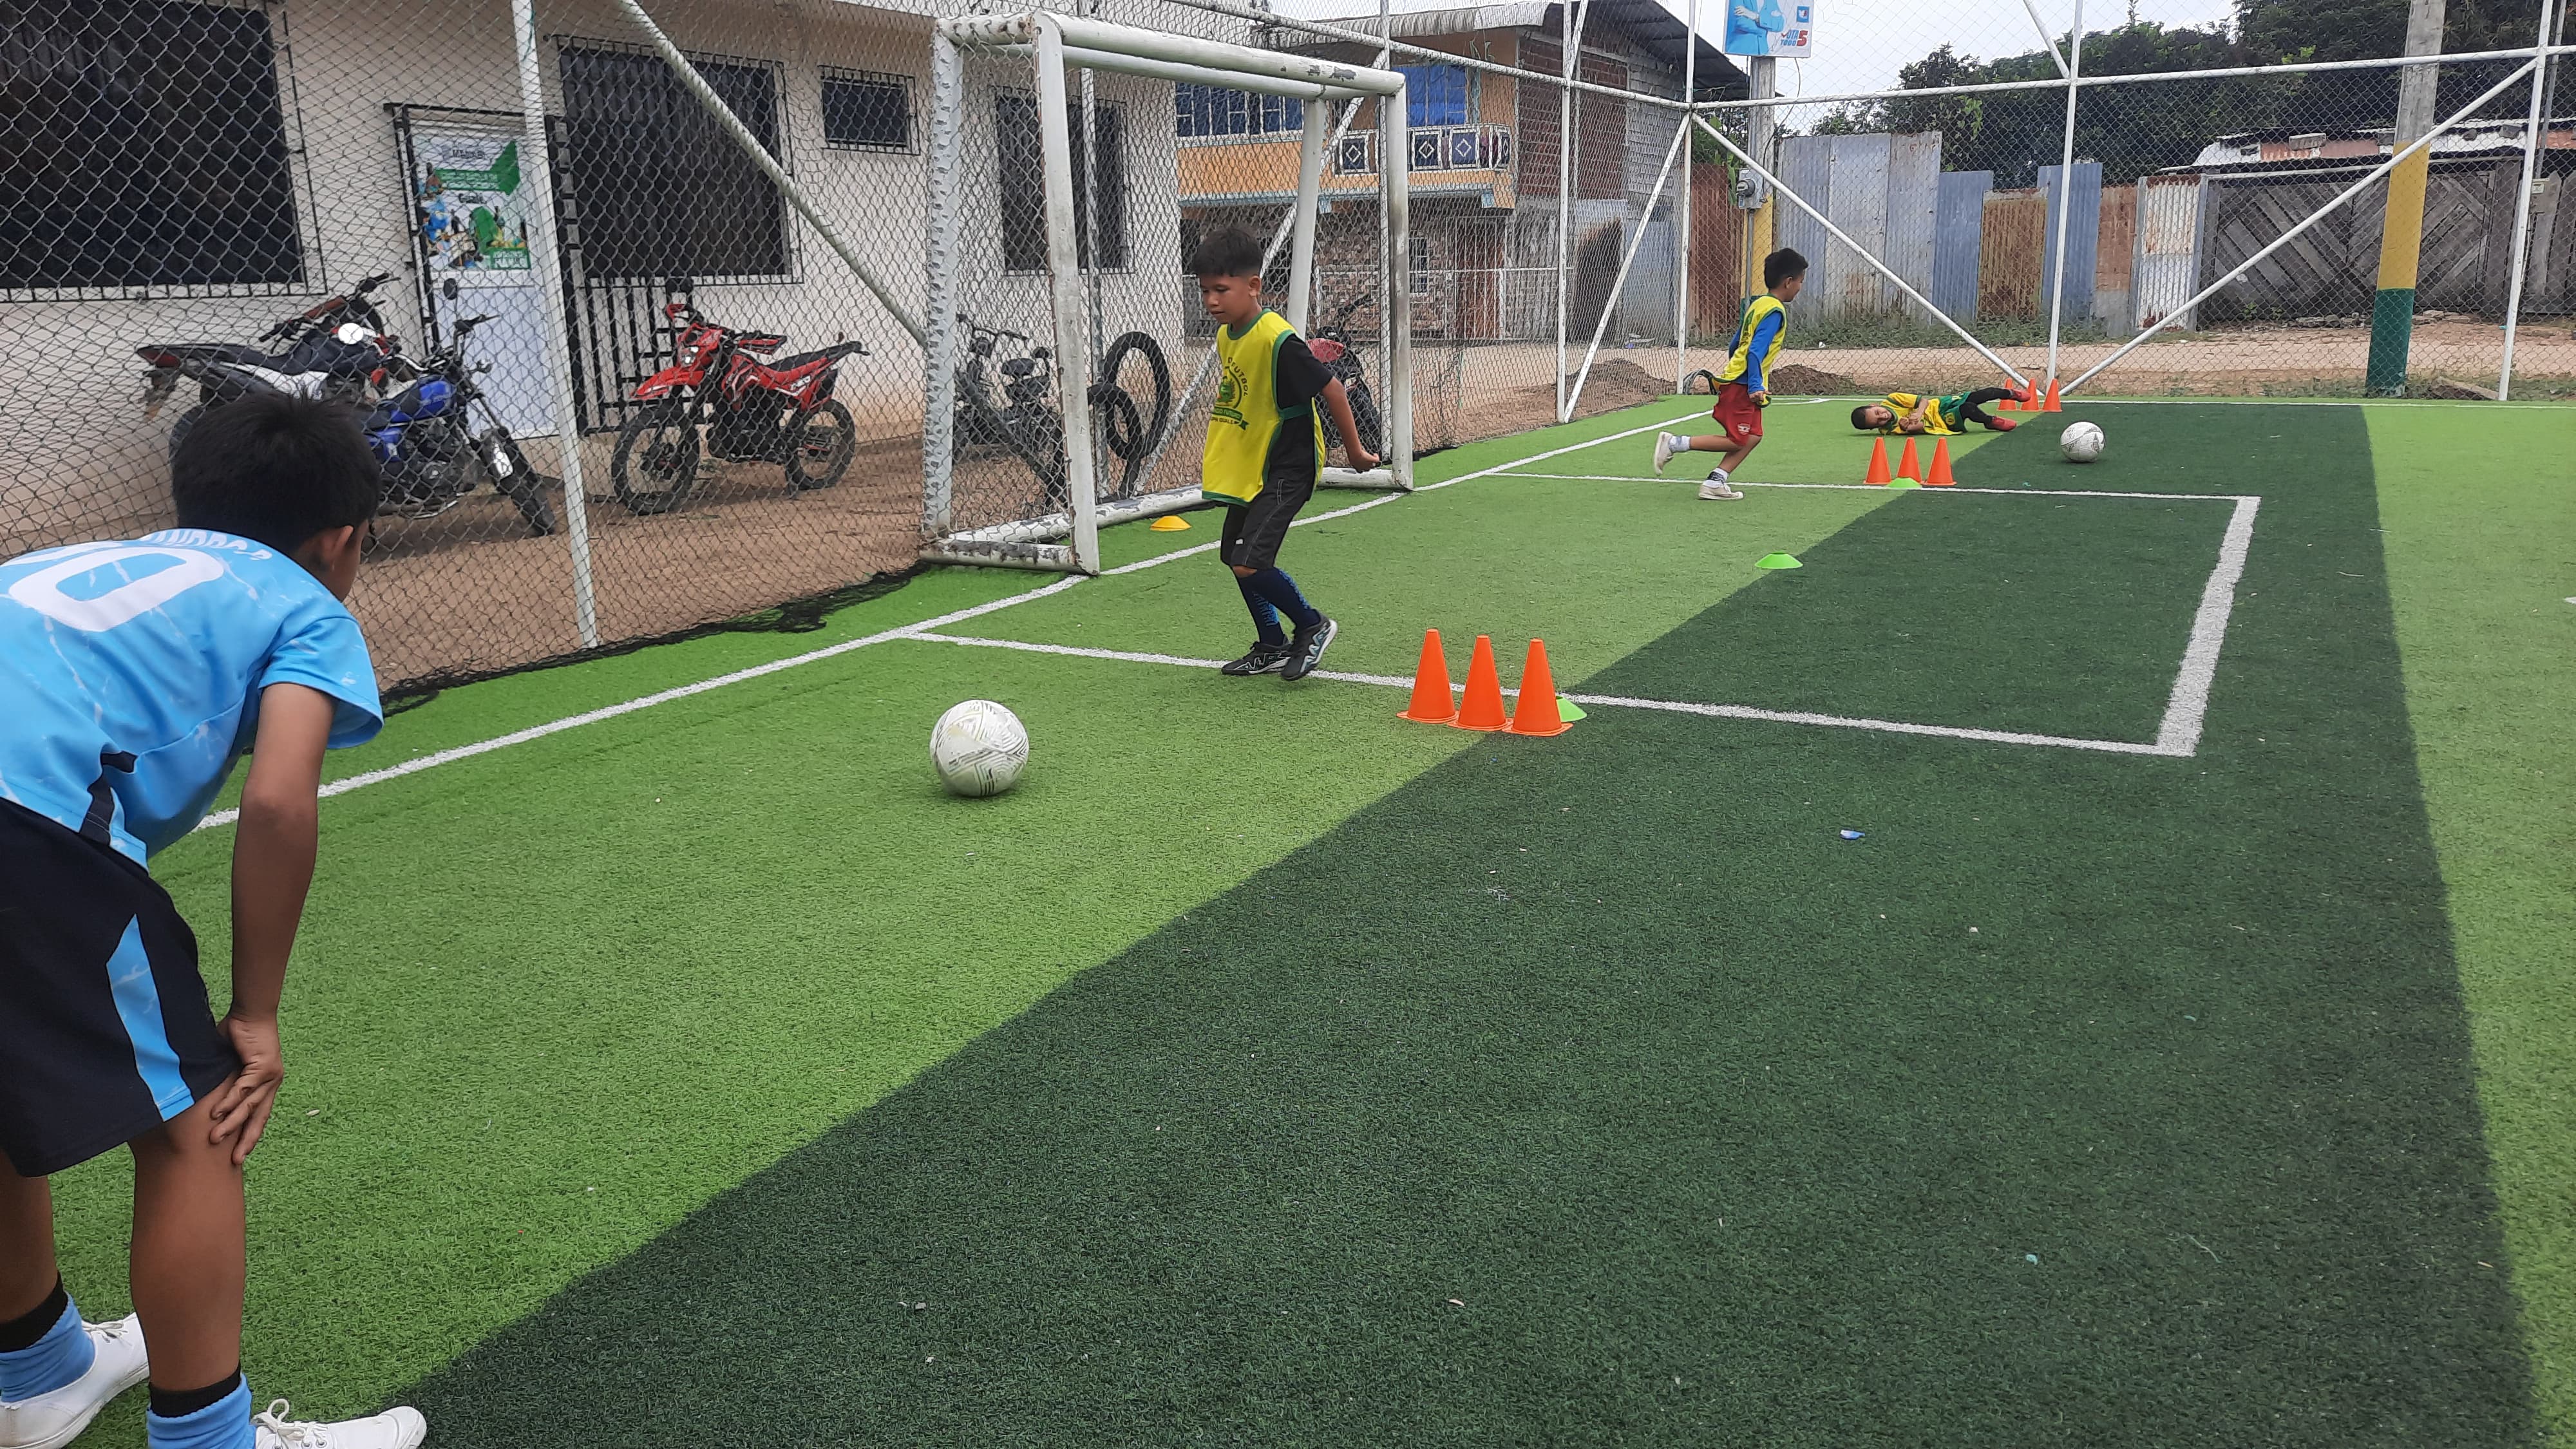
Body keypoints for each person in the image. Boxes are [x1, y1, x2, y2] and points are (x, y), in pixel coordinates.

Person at [0, 394, 426, 1449]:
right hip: (24, 825)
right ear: (341, 541)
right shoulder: (303, 604)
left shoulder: (73, 559)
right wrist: (257, 1016)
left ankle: (40, 1373)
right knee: (195, 1121)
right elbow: (278, 802)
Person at [1186, 225, 1379, 680]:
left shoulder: (1278, 339)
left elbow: (1334, 389)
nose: (1211, 301)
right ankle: (1272, 643)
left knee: (1250, 561)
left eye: (1221, 290)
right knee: (1235, 557)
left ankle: (1312, 625)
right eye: (1205, 291)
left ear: (1253, 286)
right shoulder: (1227, 335)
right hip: (1254, 466)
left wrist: (1354, 452)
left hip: (1289, 467)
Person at [1653, 247, 1808, 500]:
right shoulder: (1775, 312)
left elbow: (1736, 344)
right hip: (1743, 383)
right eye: (1800, 282)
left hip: (1738, 378)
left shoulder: (1758, 304)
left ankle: (1715, 481)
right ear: (1788, 282)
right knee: (1738, 439)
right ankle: (1674, 443)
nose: (1800, 287)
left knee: (1753, 436)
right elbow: (1755, 351)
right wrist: (1754, 384)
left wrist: (1736, 370)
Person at [1851, 388, 2022, 435]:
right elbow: (1920, 428)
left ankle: (2010, 394)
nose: (1883, 417)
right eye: (1878, 421)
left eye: (1878, 412)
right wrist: (1908, 427)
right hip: (1941, 422)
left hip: (1939, 405)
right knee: (1968, 408)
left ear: (1874, 405)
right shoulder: (1890, 430)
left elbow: (1923, 401)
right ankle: (1990, 422)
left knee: (1980, 395)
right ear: (1875, 428)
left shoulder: (1893, 399)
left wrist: (1918, 413)